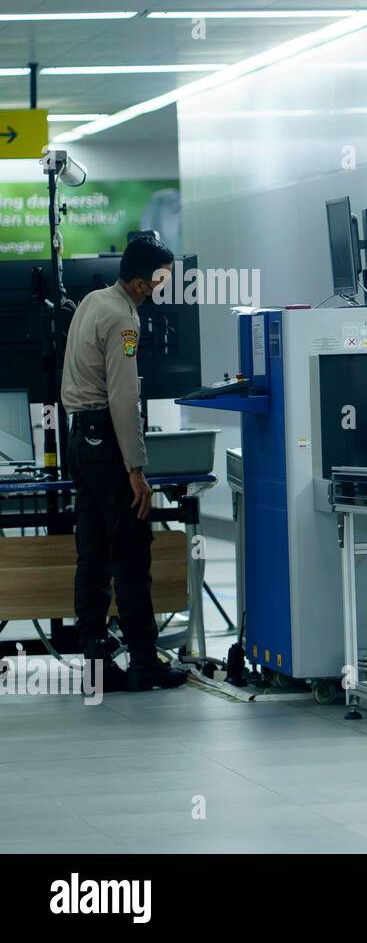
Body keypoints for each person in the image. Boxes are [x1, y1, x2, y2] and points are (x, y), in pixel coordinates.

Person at [61, 235, 188, 693]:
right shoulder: (123, 320)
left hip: (81, 437)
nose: (161, 291)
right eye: (159, 282)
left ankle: (96, 664)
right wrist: (137, 468)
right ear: (139, 282)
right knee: (132, 550)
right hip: (108, 443)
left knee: (92, 554)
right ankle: (142, 660)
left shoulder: (93, 301)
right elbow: (124, 398)